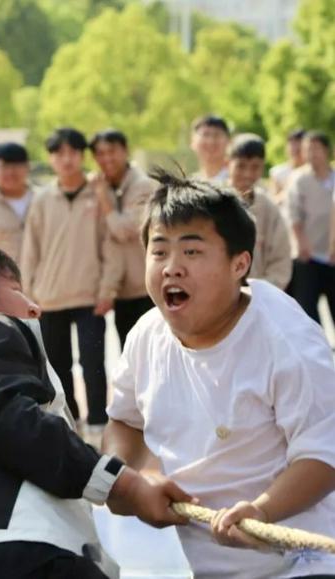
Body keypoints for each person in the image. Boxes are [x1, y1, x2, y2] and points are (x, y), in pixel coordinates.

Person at [0, 245, 194, 579]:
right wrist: (123, 485)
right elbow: (10, 420)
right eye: (16, 290)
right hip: (21, 550)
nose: (34, 307)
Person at [102, 171, 335, 579]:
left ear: (239, 264)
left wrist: (263, 509)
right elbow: (124, 420)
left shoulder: (286, 338)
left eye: (192, 252)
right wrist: (126, 482)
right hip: (203, 564)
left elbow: (324, 455)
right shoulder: (146, 334)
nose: (172, 268)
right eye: (159, 253)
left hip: (303, 562)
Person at [21, 127, 118, 432]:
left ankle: (99, 424)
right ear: (50, 159)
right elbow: (30, 249)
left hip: (90, 296)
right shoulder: (42, 198)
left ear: (81, 156)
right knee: (58, 366)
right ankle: (70, 423)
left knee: (94, 365)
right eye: (59, 153)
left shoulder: (99, 195)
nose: (67, 159)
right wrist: (27, 294)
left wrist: (108, 288)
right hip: (49, 297)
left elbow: (110, 245)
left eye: (73, 152)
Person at [90, 129, 158, 347]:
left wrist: (103, 198)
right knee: (130, 356)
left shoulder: (143, 185)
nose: (106, 158)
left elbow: (124, 229)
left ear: (125, 151)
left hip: (146, 289)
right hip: (122, 293)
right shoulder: (105, 185)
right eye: (100, 153)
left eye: (112, 151)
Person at [227, 133, 292, 289]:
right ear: (227, 163)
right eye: (241, 166)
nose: (248, 174)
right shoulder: (212, 203)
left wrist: (261, 291)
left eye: (255, 167)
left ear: (263, 167)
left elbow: (280, 258)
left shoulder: (269, 208)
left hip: (257, 296)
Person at [287, 131, 335, 324]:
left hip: (332, 253)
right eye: (307, 149)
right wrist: (301, 243)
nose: (312, 153)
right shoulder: (299, 179)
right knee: (308, 310)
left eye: (316, 148)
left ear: (326, 150)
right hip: (308, 254)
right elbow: (293, 213)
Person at [269, 128, 306, 205]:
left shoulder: (314, 171)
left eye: (298, 150)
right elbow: (273, 202)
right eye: (292, 146)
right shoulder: (277, 172)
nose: (294, 149)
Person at [191, 115, 231, 185]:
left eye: (217, 135)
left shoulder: (238, 179)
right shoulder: (192, 183)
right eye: (206, 134)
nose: (211, 141)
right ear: (192, 142)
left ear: (228, 142)